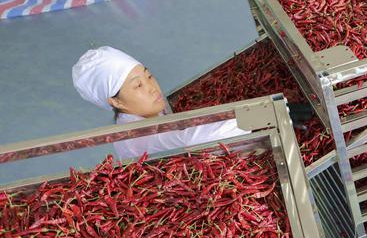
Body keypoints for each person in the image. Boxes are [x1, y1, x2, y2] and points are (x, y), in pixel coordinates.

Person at [71, 46, 311, 160]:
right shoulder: (134, 137)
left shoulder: (148, 107)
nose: (152, 86)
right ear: (115, 102)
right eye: (138, 85)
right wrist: (264, 116)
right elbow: (191, 138)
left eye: (149, 75)